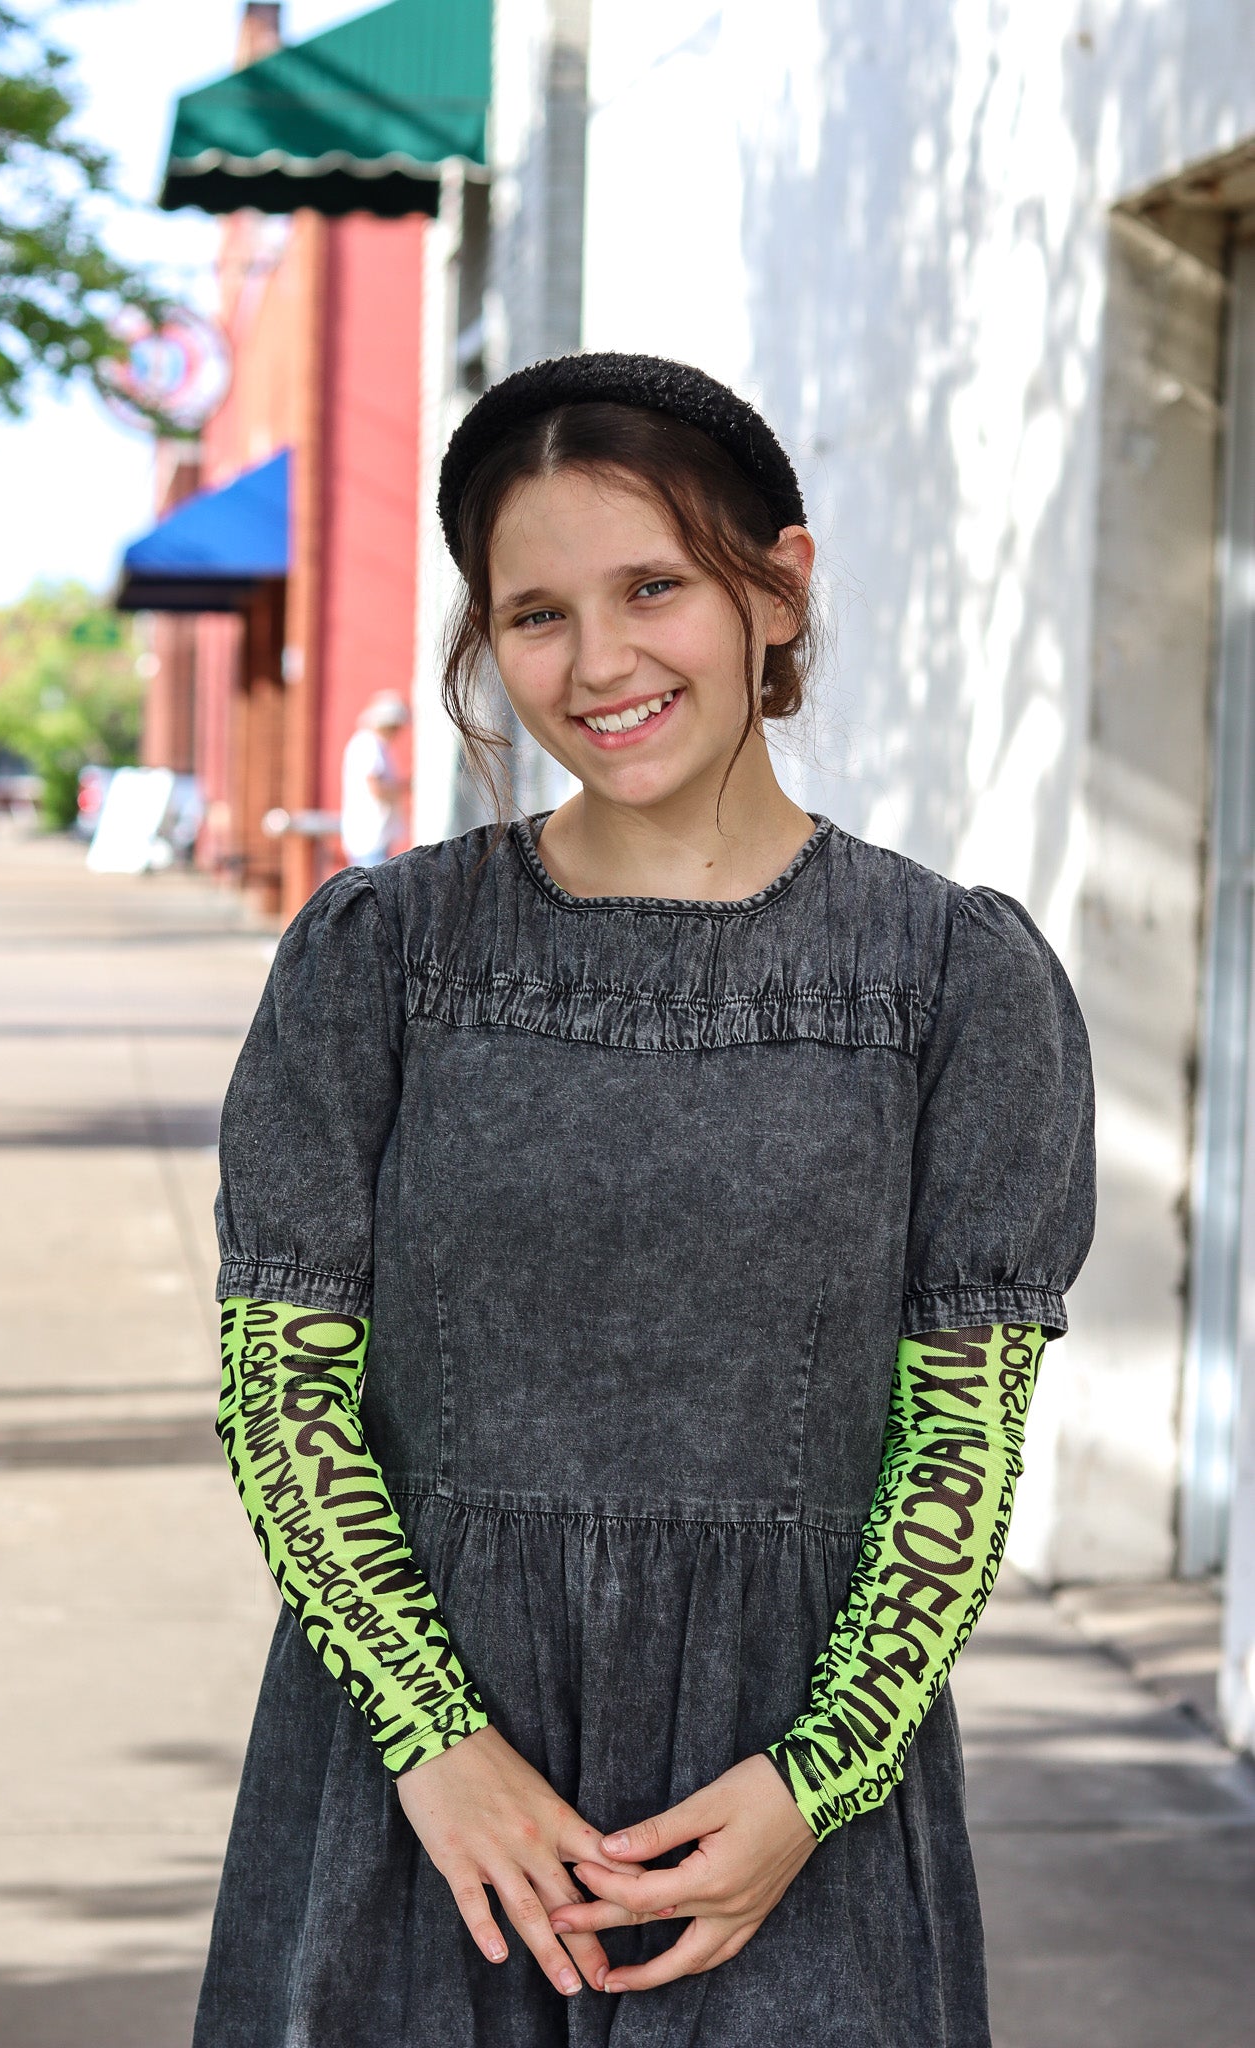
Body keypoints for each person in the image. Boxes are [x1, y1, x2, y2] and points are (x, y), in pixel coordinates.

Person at [195, 353, 1095, 2047]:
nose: (599, 662)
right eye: (536, 613)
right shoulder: (379, 960)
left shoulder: (953, 981)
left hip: (789, 1812)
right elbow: (284, 1394)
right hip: (427, 1814)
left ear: (779, 581)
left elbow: (964, 1437)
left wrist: (818, 1778)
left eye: (655, 586)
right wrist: (435, 1742)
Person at [340, 691, 410, 866]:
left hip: (374, 837)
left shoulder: (374, 745)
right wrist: (404, 787)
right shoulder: (369, 744)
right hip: (369, 836)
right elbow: (376, 788)